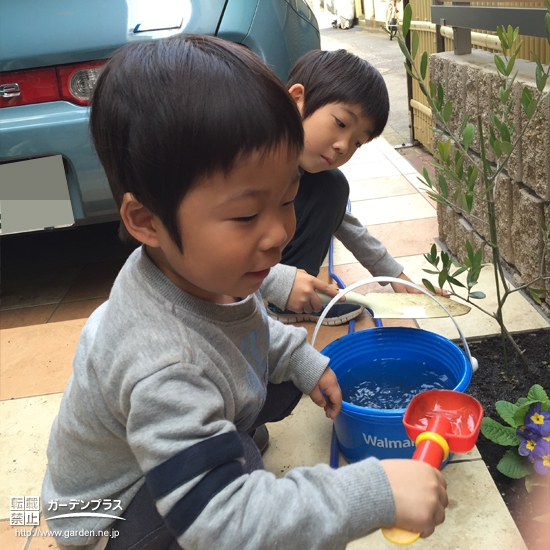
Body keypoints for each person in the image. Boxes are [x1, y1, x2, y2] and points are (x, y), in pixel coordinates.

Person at [42, 35, 448, 550]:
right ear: (146, 220)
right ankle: (215, 459)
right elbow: (223, 523)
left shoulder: (201, 272)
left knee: (280, 379)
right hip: (112, 515)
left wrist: (306, 362)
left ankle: (220, 446)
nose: (280, 232)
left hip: (175, 422)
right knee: (232, 509)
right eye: (245, 214)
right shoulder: (162, 363)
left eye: (287, 199)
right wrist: (371, 493)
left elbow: (251, 328)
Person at [261, 49, 441, 325]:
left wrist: (396, 275)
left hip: (268, 265)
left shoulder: (313, 177)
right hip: (218, 274)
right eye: (341, 123)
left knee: (332, 186)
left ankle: (295, 301)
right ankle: (281, 290)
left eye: (358, 142)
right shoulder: (249, 161)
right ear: (297, 99)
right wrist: (277, 281)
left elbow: (344, 224)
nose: (343, 146)